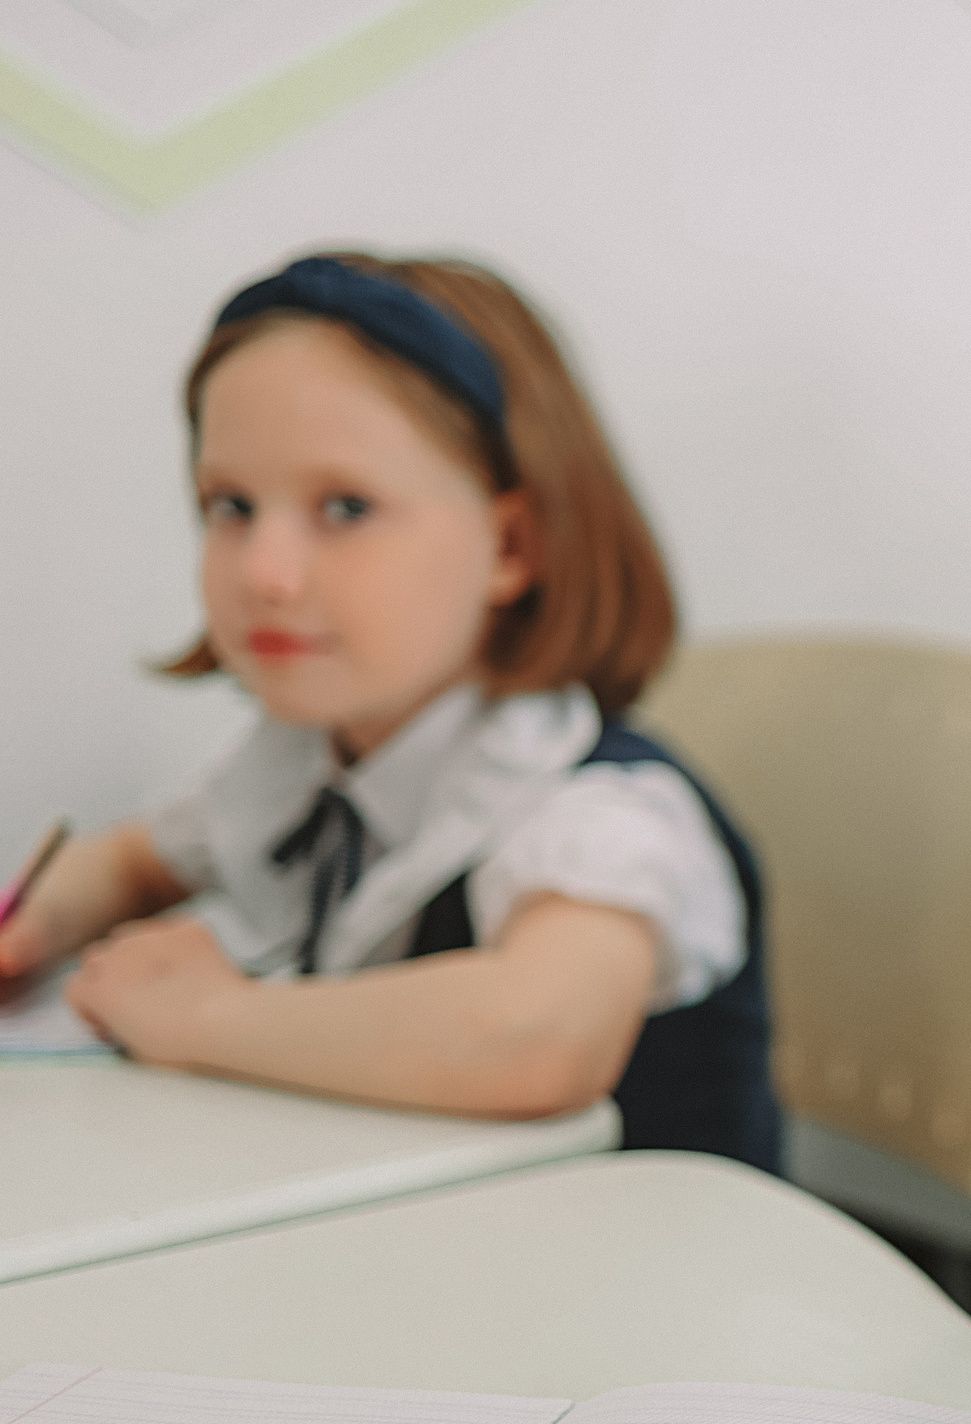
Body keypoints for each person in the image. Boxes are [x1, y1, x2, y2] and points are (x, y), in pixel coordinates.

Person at [0, 254, 782, 1169]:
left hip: (649, 1285)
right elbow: (139, 858)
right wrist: (40, 917)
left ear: (512, 545)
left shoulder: (600, 812)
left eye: (345, 507)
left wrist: (209, 1016)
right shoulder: (305, 758)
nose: (264, 572)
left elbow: (537, 1035)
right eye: (232, 506)